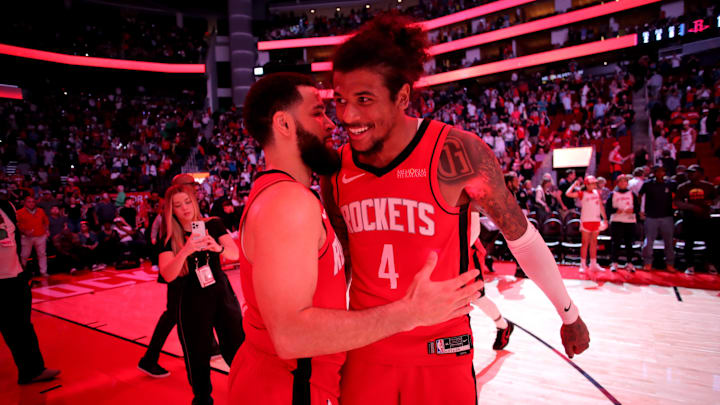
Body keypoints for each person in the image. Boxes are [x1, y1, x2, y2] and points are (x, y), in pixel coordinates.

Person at [326, 14, 589, 404]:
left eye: (364, 100)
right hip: (366, 347)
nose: (348, 116)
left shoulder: (456, 152)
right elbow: (342, 263)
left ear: (401, 96)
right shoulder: (336, 168)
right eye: (341, 100)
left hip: (440, 348)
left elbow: (521, 237)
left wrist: (568, 313)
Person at [228, 72, 482, 404]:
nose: (332, 125)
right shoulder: (289, 204)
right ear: (284, 124)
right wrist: (410, 312)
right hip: (287, 390)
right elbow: (291, 336)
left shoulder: (288, 196)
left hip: (295, 385)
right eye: (317, 113)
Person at [158, 184, 245, 405]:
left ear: (195, 202)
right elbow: (167, 274)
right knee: (197, 355)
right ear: (172, 211)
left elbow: (235, 253)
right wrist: (186, 250)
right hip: (191, 302)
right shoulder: (170, 238)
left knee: (237, 347)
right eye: (177, 205)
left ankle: (247, 391)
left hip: (222, 296)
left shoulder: (213, 224)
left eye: (187, 202)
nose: (185, 208)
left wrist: (218, 248)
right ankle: (203, 399)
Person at [0, 197, 61, 384]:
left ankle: (32, 370)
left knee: (23, 327)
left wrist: (21, 272)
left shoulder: (7, 206)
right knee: (14, 329)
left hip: (14, 277)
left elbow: (13, 240)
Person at [674, 164, 717, 275]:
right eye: (688, 172)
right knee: (689, 243)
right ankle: (690, 265)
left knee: (710, 243)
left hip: (704, 218)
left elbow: (716, 198)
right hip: (689, 219)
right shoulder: (682, 187)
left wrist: (712, 202)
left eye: (693, 172)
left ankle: (710, 264)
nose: (690, 174)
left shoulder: (708, 186)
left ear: (700, 174)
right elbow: (677, 202)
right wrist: (692, 207)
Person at [565, 175, 607, 272]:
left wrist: (604, 219)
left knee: (594, 243)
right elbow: (568, 194)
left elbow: (600, 206)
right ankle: (583, 264)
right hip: (586, 220)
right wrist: (574, 185)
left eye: (594, 183)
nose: (593, 185)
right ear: (587, 184)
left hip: (596, 221)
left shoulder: (597, 193)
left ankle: (593, 264)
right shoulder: (582, 193)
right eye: (591, 183)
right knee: (585, 243)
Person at [605, 175, 640, 272]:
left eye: (625, 181)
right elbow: (607, 208)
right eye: (621, 181)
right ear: (617, 183)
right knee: (616, 243)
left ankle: (629, 262)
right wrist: (615, 210)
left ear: (627, 183)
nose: (623, 183)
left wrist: (633, 210)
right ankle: (614, 262)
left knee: (629, 243)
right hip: (617, 221)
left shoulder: (632, 194)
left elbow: (637, 208)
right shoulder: (612, 194)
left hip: (629, 220)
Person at [16, 196, 49, 276]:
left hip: (40, 236)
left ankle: (43, 272)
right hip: (26, 237)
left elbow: (46, 221)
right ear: (25, 203)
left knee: (42, 254)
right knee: (24, 255)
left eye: (33, 201)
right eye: (29, 202)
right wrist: (24, 231)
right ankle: (21, 272)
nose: (31, 203)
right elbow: (17, 224)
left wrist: (46, 230)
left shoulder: (40, 211)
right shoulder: (19, 212)